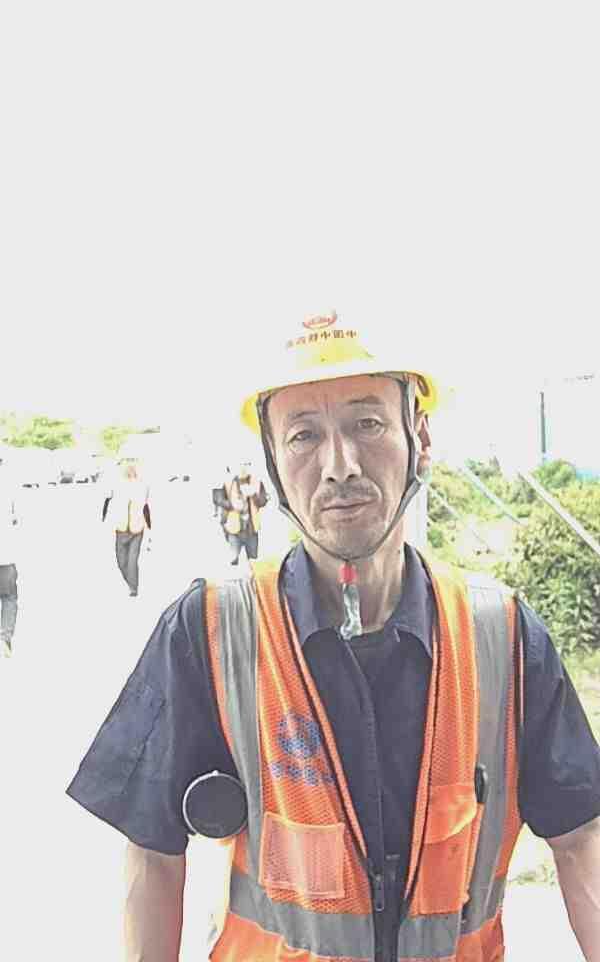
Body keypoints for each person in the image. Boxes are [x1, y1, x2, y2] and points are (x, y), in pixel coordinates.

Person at [67, 310, 600, 962]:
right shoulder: (208, 632)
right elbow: (152, 857)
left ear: (419, 437)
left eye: (367, 424)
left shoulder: (504, 638)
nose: (340, 466)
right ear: (271, 461)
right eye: (303, 436)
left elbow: (581, 838)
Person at [102, 460, 151, 597]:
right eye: (128, 467)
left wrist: (149, 526)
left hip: (137, 528)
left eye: (132, 467)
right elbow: (107, 499)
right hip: (121, 528)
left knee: (132, 560)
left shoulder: (143, 485)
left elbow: (146, 506)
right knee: (121, 561)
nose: (130, 469)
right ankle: (130, 583)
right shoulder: (116, 484)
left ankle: (133, 588)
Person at [219, 462, 268, 565]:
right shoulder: (229, 482)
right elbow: (219, 500)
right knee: (233, 560)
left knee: (254, 562)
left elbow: (263, 501)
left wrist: (253, 495)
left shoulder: (256, 482)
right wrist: (233, 504)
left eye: (247, 464)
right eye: (241, 464)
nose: (244, 467)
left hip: (251, 530)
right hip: (234, 531)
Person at [0, 468, 19, 657]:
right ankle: (5, 638)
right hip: (5, 554)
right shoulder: (9, 480)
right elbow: (16, 518)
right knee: (9, 597)